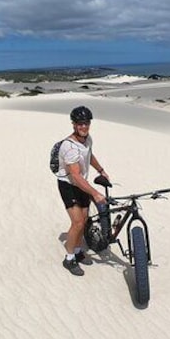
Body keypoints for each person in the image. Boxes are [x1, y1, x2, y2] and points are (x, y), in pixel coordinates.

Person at [55, 105, 110, 276]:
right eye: (80, 123)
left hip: (81, 183)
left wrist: (100, 170)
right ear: (73, 124)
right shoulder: (69, 147)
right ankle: (69, 258)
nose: (83, 126)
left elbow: (89, 155)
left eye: (86, 123)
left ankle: (78, 251)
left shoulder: (87, 140)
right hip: (69, 185)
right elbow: (75, 176)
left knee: (85, 220)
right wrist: (95, 193)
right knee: (77, 222)